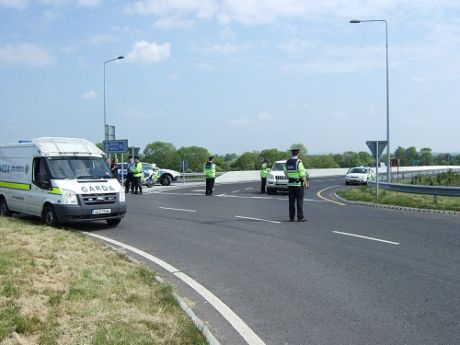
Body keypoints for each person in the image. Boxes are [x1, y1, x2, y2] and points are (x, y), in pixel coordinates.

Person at [284, 148, 307, 222]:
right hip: (298, 185)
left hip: (290, 184)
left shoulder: (287, 162)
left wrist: (290, 177)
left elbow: (285, 172)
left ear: (292, 153)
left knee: (291, 202)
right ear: (298, 153)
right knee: (299, 202)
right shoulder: (299, 162)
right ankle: (300, 218)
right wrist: (305, 182)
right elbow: (302, 173)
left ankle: (291, 217)